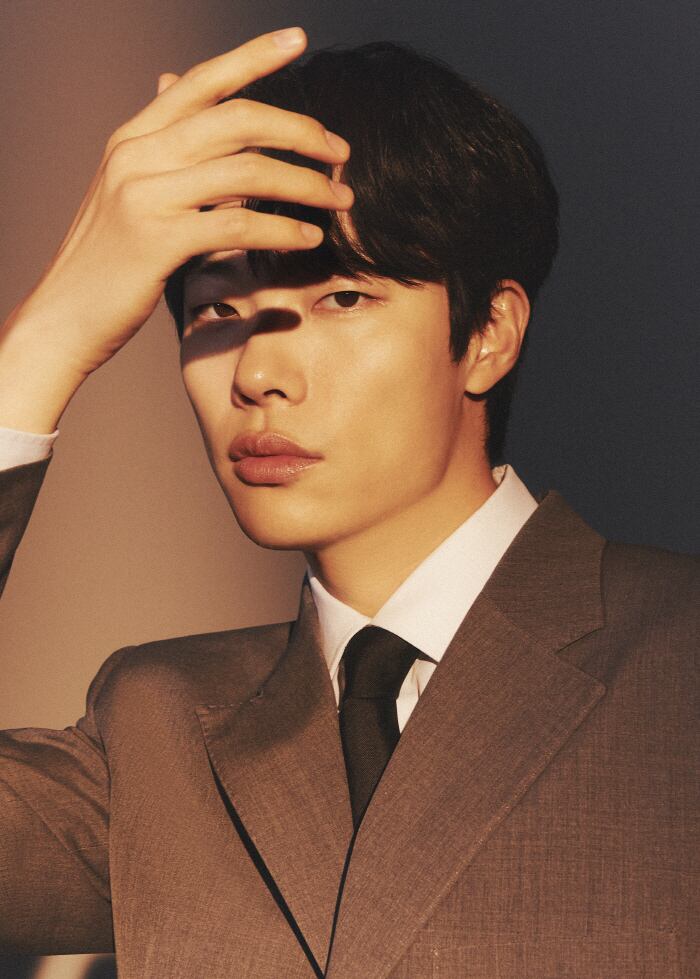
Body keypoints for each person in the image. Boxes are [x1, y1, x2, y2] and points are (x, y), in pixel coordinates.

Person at [0, 25, 696, 979]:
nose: (258, 371)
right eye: (215, 310)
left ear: (489, 333)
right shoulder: (157, 726)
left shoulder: (677, 660)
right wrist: (47, 336)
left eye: (342, 299)